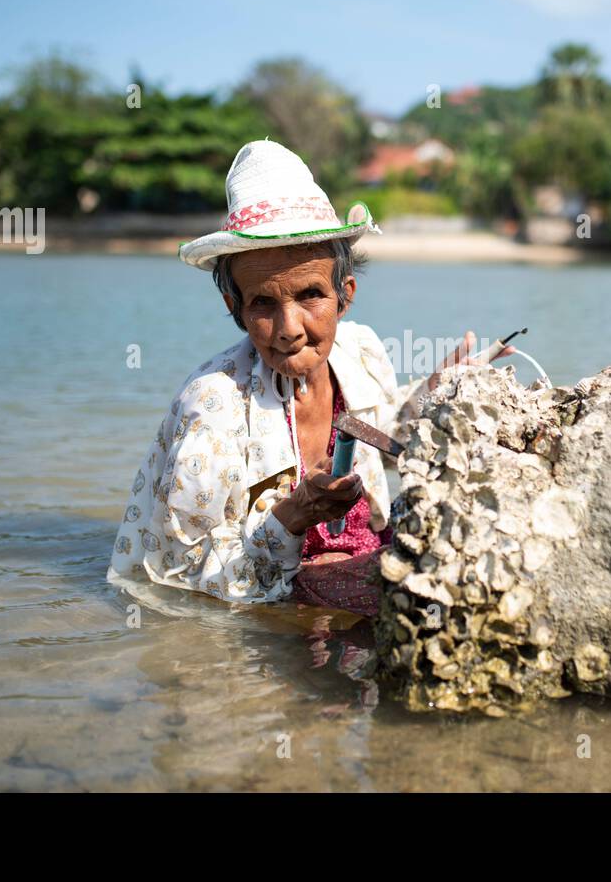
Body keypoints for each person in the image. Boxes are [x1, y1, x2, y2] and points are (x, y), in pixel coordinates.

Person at [107, 139, 510, 616]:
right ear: (234, 307)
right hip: (282, 611)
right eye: (262, 303)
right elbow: (181, 574)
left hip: (368, 568)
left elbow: (388, 433)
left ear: (345, 294)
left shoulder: (359, 352)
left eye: (311, 295)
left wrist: (435, 393)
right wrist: (295, 514)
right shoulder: (214, 406)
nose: (289, 329)